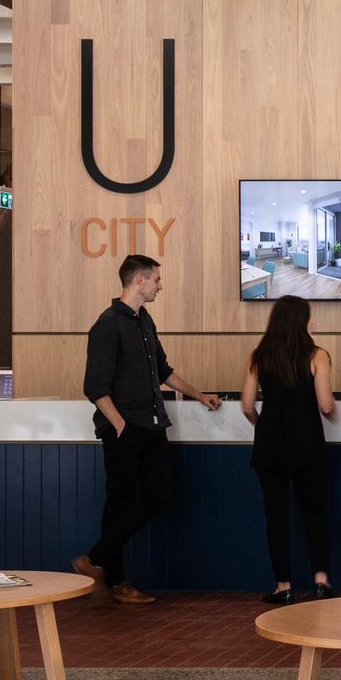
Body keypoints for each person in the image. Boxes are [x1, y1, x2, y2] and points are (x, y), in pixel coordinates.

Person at [73, 254, 224, 606]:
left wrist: (200, 395)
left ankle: (95, 560)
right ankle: (116, 581)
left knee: (158, 495)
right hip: (125, 429)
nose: (160, 285)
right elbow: (95, 387)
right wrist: (122, 426)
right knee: (120, 502)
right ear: (139, 280)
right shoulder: (107, 324)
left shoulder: (145, 321)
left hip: (153, 425)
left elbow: (164, 371)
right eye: (156, 279)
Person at [241, 295, 337, 605]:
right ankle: (321, 581)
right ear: (303, 321)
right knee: (315, 513)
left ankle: (283, 586)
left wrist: (262, 425)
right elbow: (325, 405)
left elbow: (246, 406)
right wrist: (334, 414)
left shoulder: (259, 356)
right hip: (307, 442)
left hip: (270, 445)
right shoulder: (317, 355)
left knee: (276, 515)